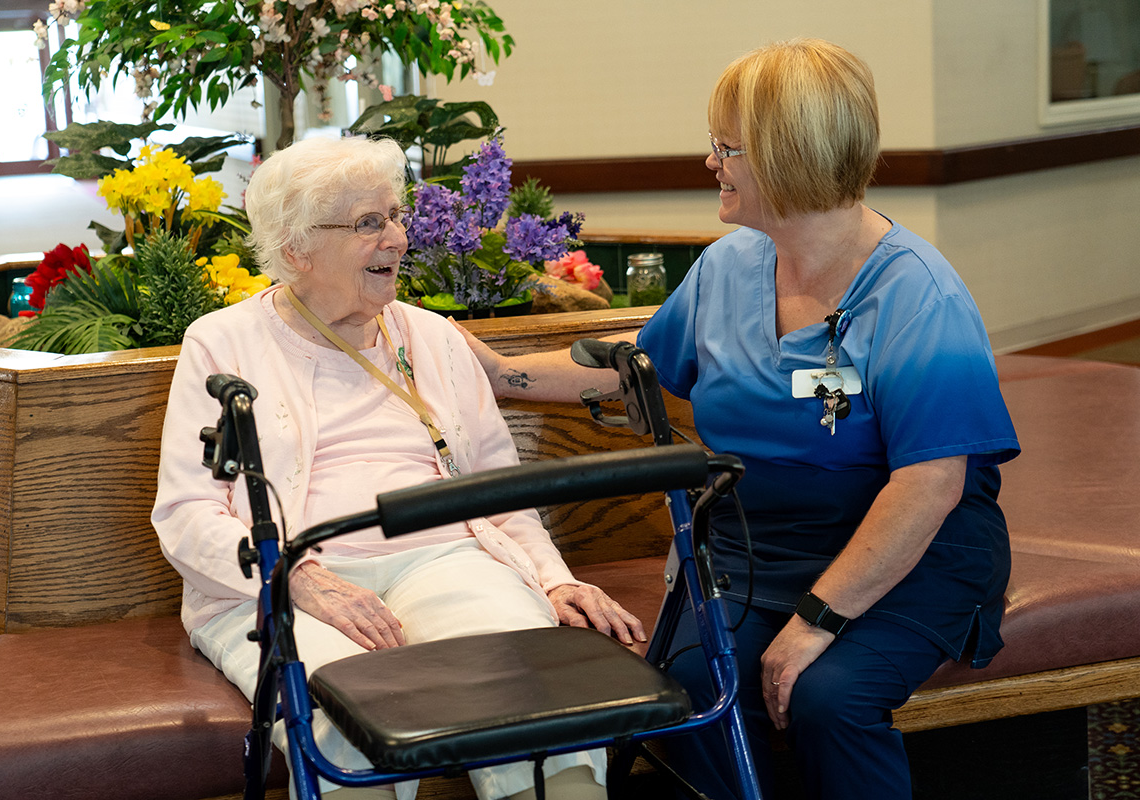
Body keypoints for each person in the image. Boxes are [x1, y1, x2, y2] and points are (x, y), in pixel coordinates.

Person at [460, 39, 1019, 800]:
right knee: (689, 690)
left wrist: (817, 620)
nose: (709, 163)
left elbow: (928, 487)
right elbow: (637, 368)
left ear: (790, 155)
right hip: (756, 553)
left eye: (725, 147)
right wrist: (496, 371)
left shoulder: (919, 295)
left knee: (830, 696)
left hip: (906, 563)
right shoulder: (732, 266)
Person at [151, 135, 646, 800]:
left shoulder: (431, 337)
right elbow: (186, 513)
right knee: (348, 733)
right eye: (367, 224)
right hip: (296, 580)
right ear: (297, 249)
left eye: (394, 215)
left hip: (446, 558)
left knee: (541, 715)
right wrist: (301, 581)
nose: (397, 239)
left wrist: (551, 580)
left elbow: (499, 490)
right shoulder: (222, 342)